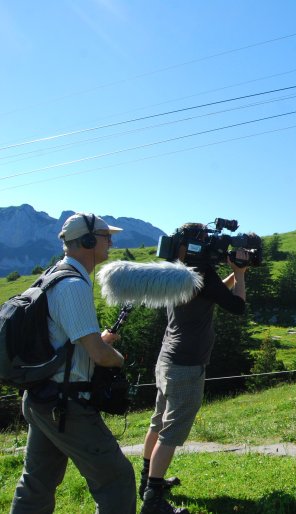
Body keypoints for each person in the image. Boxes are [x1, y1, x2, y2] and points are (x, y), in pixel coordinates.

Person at [11, 213, 135, 514]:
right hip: (67, 406)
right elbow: (99, 355)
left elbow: (66, 340)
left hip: (41, 398)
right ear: (88, 241)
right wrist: (116, 359)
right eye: (106, 237)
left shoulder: (55, 275)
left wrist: (98, 341)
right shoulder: (74, 286)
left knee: (37, 484)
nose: (111, 242)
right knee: (116, 479)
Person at [139, 223, 248, 514]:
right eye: (203, 240)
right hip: (186, 364)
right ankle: (153, 499)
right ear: (193, 244)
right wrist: (239, 274)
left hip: (167, 359)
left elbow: (209, 292)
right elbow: (237, 307)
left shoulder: (179, 271)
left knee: (158, 422)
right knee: (171, 432)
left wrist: (227, 277)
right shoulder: (202, 274)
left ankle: (147, 480)